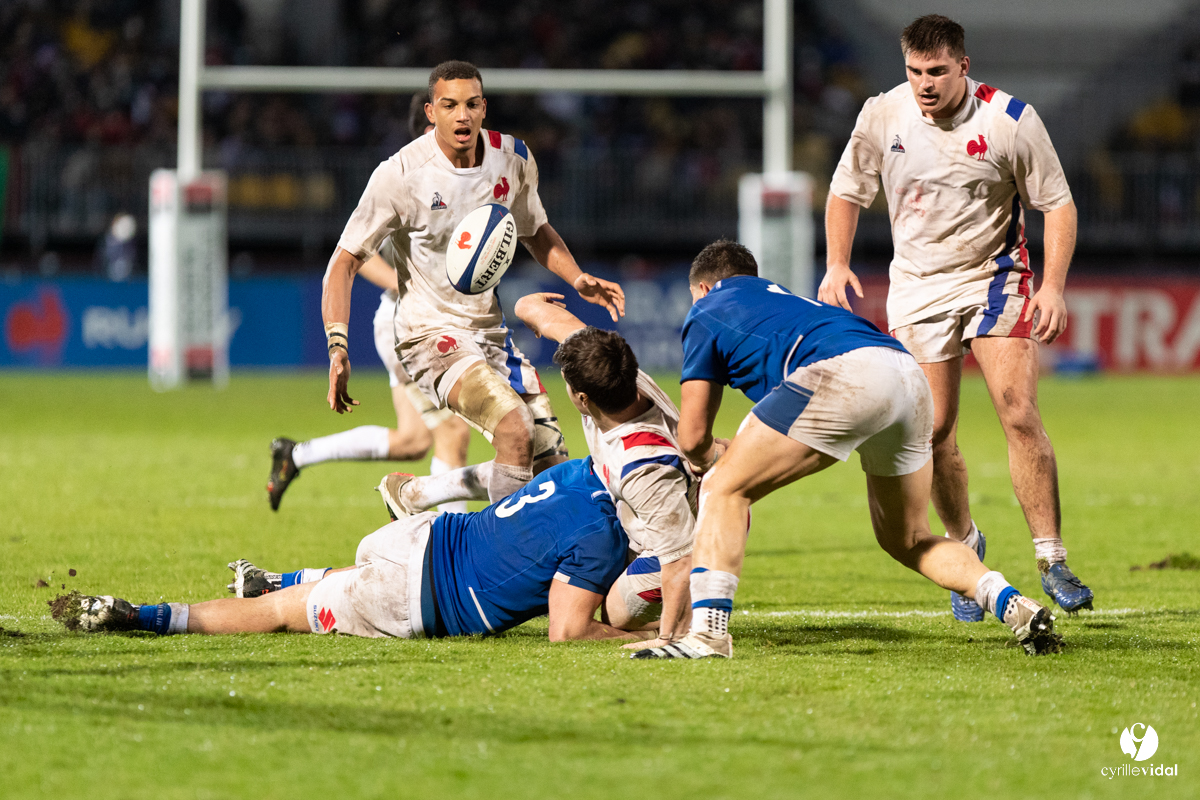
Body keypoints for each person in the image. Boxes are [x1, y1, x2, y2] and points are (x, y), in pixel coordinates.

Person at [633, 240, 1061, 660]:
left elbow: (692, 438)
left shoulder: (707, 309)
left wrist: (710, 458)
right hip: (906, 374)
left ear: (703, 288)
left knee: (722, 489)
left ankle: (708, 636)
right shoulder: (784, 299)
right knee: (909, 538)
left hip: (841, 374)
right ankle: (1012, 604)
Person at [819, 14, 1093, 620]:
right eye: (915, 71)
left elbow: (1058, 204)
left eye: (938, 71)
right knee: (935, 430)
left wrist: (1052, 287)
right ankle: (965, 547)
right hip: (918, 287)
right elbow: (845, 191)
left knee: (1018, 410)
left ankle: (1051, 557)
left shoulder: (1009, 120)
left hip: (994, 276)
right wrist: (837, 263)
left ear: (963, 66)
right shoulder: (882, 114)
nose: (925, 83)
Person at [321, 60, 625, 510]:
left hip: (489, 333)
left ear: (484, 108)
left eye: (471, 104)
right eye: (449, 106)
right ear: (431, 112)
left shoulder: (513, 158)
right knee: (515, 429)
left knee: (550, 472)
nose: (462, 116)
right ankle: (486, 549)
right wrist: (337, 344)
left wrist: (576, 276)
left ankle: (416, 494)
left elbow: (535, 229)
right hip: (429, 335)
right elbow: (343, 262)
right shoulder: (401, 174)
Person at [54, 459, 656, 644]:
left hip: (417, 535)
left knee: (341, 580)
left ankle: (279, 577)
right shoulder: (600, 539)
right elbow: (567, 632)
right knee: (279, 617)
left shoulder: (581, 470)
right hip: (413, 598)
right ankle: (146, 617)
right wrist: (651, 635)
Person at [266, 94, 472, 513]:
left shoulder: (465, 180)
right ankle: (447, 541)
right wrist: (408, 284)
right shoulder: (406, 179)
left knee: (413, 440)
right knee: (453, 433)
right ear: (429, 127)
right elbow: (358, 256)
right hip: (407, 322)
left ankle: (296, 455)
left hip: (423, 320)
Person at [466, 292, 697, 647]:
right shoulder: (612, 370)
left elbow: (680, 557)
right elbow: (544, 315)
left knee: (615, 614)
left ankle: (689, 618)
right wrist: (526, 306)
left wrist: (670, 639)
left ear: (583, 399)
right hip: (647, 511)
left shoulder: (643, 466)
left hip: (687, 533)